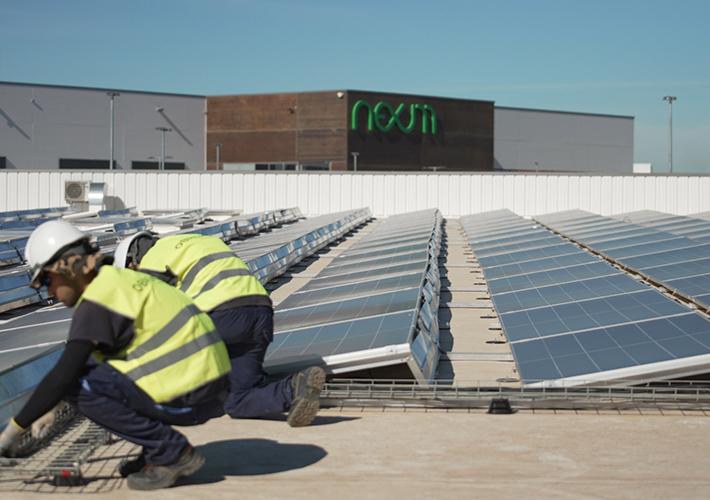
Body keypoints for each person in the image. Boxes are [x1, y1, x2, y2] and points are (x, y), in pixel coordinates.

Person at [0, 220, 232, 491]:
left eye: (48, 280)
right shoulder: (120, 280)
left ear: (68, 267)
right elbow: (86, 359)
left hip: (191, 394)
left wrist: (15, 430)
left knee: (78, 386)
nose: (49, 292)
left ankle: (171, 451)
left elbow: (64, 373)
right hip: (211, 388)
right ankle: (154, 452)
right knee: (91, 366)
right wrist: (52, 407)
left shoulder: (97, 302)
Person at [114, 232, 325, 427]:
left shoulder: (153, 259)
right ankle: (294, 388)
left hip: (219, 315)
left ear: (133, 261)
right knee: (239, 400)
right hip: (261, 313)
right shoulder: (203, 240)